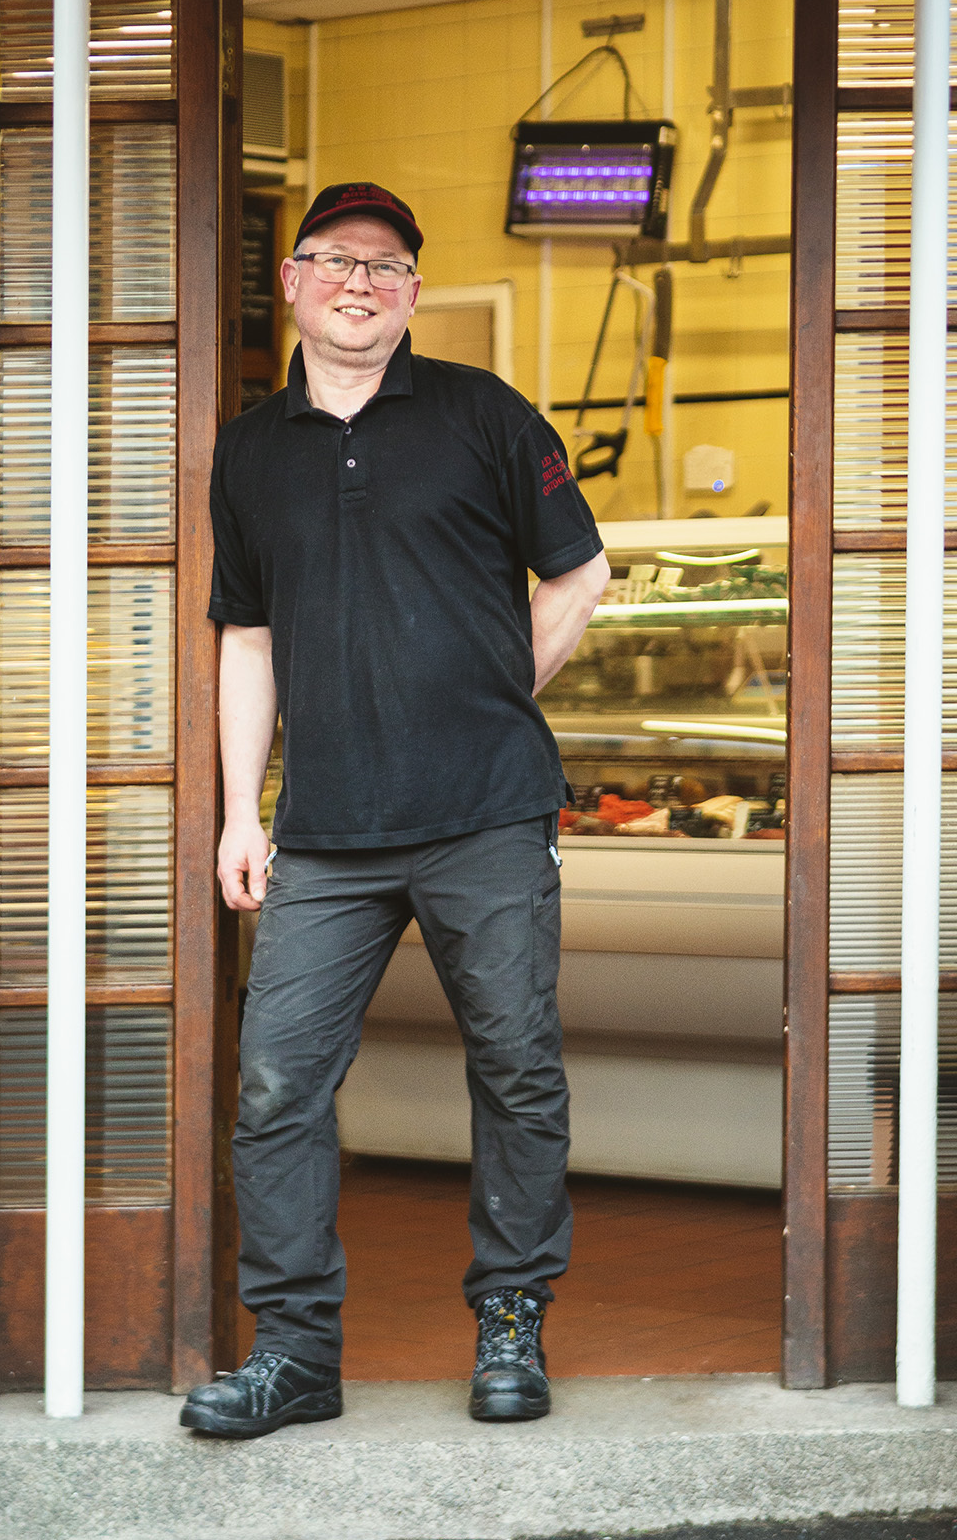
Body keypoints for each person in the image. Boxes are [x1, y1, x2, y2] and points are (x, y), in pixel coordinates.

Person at [180, 180, 612, 1442]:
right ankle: (296, 1352)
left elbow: (581, 572)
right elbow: (247, 638)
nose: (360, 280)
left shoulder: (484, 414)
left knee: (518, 1067)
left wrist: (489, 689)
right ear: (294, 282)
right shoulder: (254, 448)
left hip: (485, 811)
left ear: (414, 292)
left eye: (386, 265)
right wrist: (238, 811)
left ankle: (513, 1321)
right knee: (274, 1084)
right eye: (335, 258)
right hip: (325, 828)